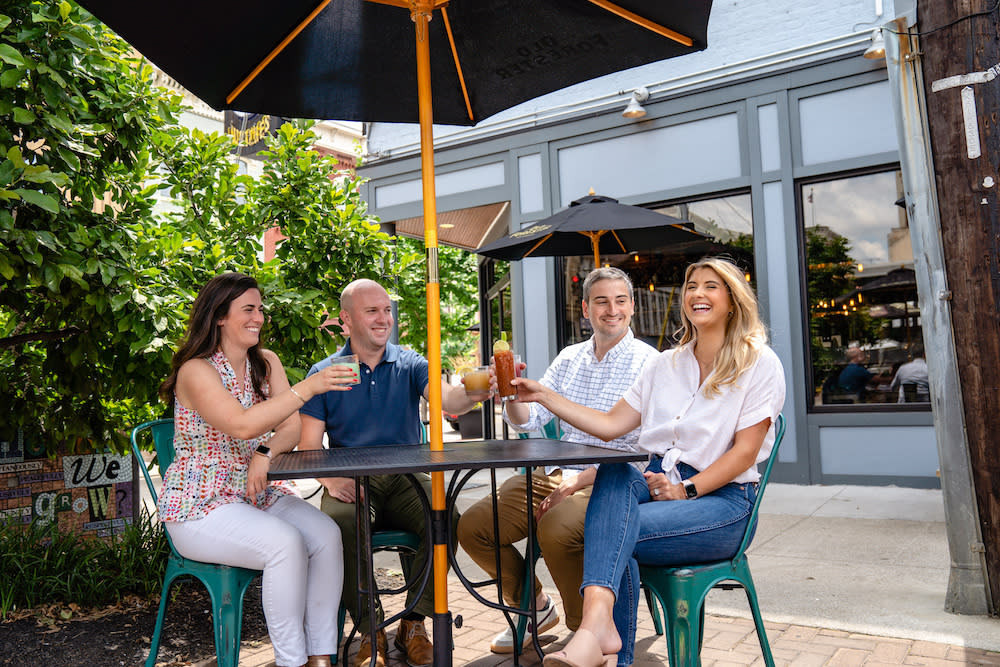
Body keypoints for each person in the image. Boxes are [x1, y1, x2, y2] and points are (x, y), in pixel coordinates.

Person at [512, 257, 786, 667]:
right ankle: (598, 629)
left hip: (724, 502)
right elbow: (608, 427)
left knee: (610, 532)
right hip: (658, 480)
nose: (697, 293)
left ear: (732, 300)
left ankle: (598, 638)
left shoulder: (759, 362)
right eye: (691, 285)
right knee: (616, 469)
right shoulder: (666, 365)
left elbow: (745, 452)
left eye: (711, 286)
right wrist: (542, 395)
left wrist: (686, 489)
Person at [456, 267, 657, 653]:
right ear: (585, 309)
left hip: (610, 481)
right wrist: (511, 396)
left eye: (620, 300)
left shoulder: (650, 363)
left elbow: (647, 451)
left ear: (631, 307)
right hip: (554, 472)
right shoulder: (570, 358)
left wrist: (579, 482)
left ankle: (589, 634)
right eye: (601, 301)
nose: (611, 309)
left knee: (556, 528)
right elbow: (529, 419)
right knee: (474, 526)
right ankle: (533, 607)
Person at [157, 273, 352, 667]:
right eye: (248, 309)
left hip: (255, 493)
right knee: (285, 544)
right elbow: (242, 423)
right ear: (219, 317)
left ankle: (320, 657)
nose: (258, 317)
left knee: (327, 535)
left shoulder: (265, 362)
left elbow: (292, 427)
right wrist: (309, 387)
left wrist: (264, 453)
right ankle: (291, 661)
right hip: (200, 505)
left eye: (260, 308)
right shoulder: (197, 371)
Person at [297, 278, 489, 667]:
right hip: (350, 478)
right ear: (346, 321)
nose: (384, 318)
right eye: (372, 311)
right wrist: (331, 480)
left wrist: (475, 391)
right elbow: (309, 447)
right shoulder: (326, 372)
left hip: (406, 477)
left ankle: (413, 623)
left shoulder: (410, 362)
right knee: (339, 527)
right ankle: (372, 631)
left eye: (387, 310)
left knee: (445, 517)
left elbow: (448, 400)